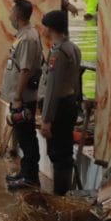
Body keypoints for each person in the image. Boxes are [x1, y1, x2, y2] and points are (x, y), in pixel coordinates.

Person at [1, 0, 43, 190]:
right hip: (19, 96)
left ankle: (30, 177)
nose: (9, 15)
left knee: (27, 137)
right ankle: (25, 172)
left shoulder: (27, 38)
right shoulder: (23, 35)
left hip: (24, 98)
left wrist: (18, 97)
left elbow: (25, 70)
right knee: (23, 136)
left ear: (17, 15)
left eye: (11, 11)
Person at [39, 11, 81, 196]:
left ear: (49, 29)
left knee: (58, 154)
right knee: (64, 151)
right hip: (69, 103)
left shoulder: (58, 52)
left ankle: (61, 196)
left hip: (59, 107)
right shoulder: (73, 48)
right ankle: (63, 194)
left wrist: (46, 119)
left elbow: (52, 89)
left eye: (45, 28)